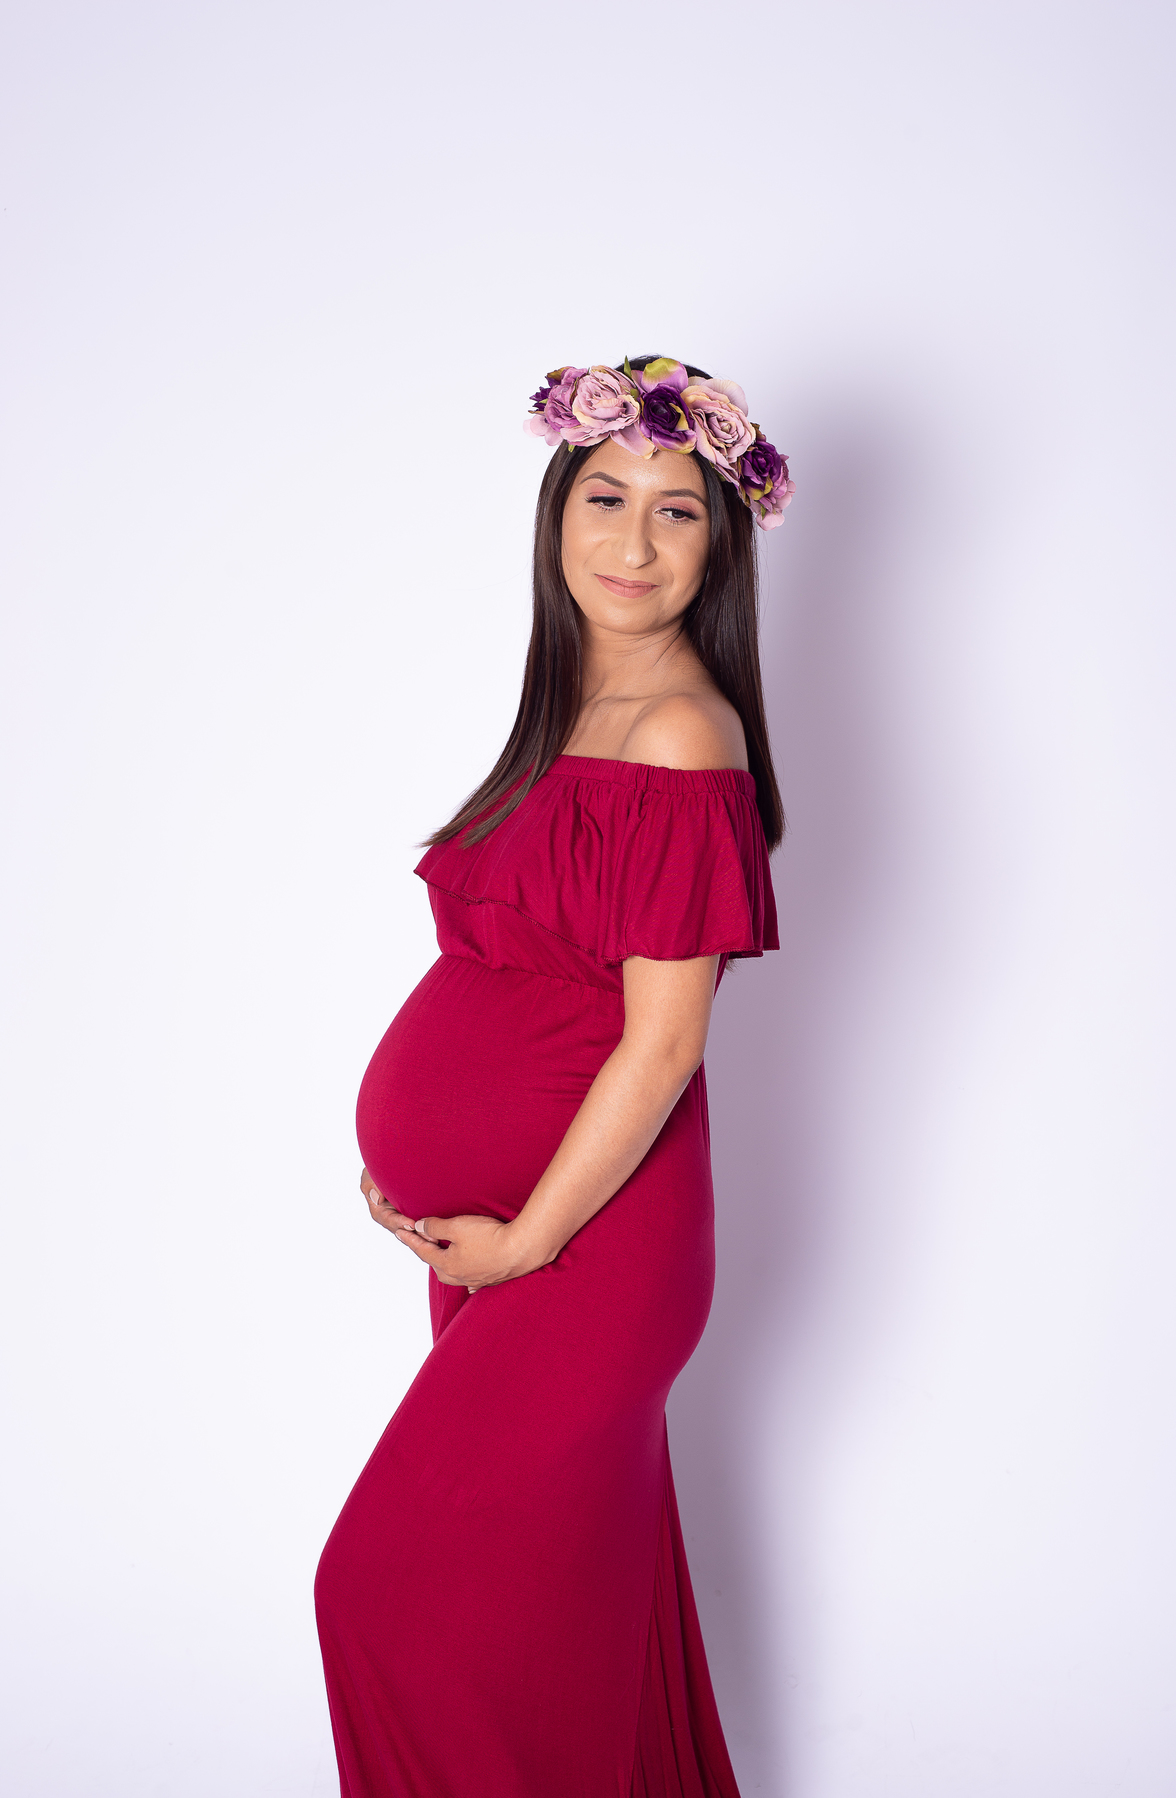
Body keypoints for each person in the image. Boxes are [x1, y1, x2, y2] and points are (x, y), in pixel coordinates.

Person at [315, 355, 791, 1797]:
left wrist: (526, 1238)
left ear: (720, 545)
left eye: (676, 511)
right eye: (604, 498)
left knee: (386, 1595)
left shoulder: (681, 729)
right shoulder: (568, 713)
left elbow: (664, 1041)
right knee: (548, 1622)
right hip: (507, 1238)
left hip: (585, 1245)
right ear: (556, 513)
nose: (633, 542)